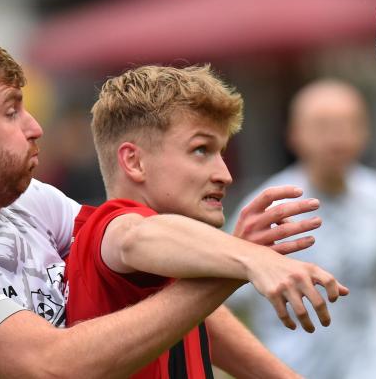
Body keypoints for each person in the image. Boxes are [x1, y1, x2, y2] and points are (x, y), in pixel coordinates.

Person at [0, 32, 340, 379]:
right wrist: (239, 262)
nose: (34, 127)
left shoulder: (29, 204)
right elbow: (54, 366)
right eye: (11, 110)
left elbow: (134, 241)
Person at [66, 65, 349, 378]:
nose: (225, 175)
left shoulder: (176, 266)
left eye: (221, 152)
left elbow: (201, 316)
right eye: (201, 149)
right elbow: (135, 235)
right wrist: (251, 257)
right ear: (134, 162)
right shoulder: (112, 225)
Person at [227, 79, 376, 379]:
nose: (337, 137)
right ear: (294, 134)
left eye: (349, 124)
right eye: (322, 126)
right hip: (296, 369)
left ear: (366, 131)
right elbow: (224, 300)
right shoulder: (268, 209)